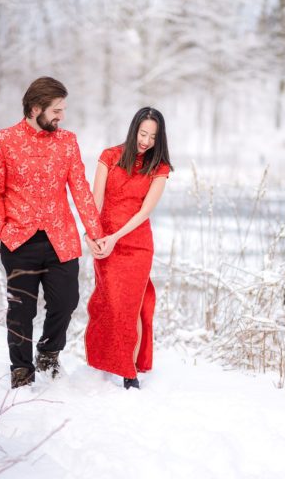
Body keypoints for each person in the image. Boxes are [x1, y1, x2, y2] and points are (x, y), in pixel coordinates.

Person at [0, 77, 105, 389]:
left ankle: (48, 352)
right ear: (35, 108)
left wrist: (95, 231)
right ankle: (21, 370)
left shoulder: (68, 141)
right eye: (56, 110)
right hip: (18, 239)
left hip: (61, 238)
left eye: (63, 109)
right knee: (21, 310)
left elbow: (80, 188)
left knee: (67, 301)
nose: (61, 116)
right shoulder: (2, 141)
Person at [84, 107, 172, 389]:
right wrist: (91, 235)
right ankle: (104, 362)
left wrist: (116, 237)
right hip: (104, 243)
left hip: (135, 245)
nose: (146, 141)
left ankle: (129, 373)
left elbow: (145, 212)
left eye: (153, 136)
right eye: (142, 133)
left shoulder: (159, 167)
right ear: (134, 129)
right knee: (107, 304)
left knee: (131, 307)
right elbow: (95, 201)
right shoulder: (109, 156)